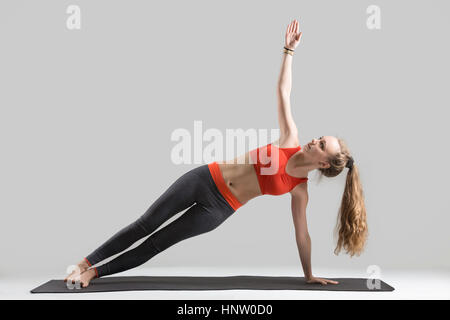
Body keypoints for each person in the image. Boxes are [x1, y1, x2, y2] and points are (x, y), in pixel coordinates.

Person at [65, 19, 367, 288]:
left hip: (219, 209)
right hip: (204, 179)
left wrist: (309, 274)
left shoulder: (299, 190)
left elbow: (302, 235)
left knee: (156, 244)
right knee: (145, 224)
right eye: (319, 138)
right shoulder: (291, 138)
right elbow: (283, 92)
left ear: (324, 162)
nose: (315, 140)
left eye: (322, 144)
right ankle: (84, 263)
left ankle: (95, 273)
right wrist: (288, 52)